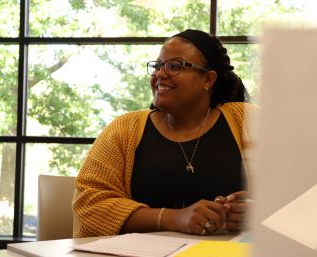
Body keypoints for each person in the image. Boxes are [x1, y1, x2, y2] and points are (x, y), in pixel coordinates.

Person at [72, 29, 256, 237]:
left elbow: (294, 194)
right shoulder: (124, 129)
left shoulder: (248, 122)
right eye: (158, 65)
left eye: (175, 66)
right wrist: (174, 218)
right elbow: (89, 207)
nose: (160, 73)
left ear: (208, 79)